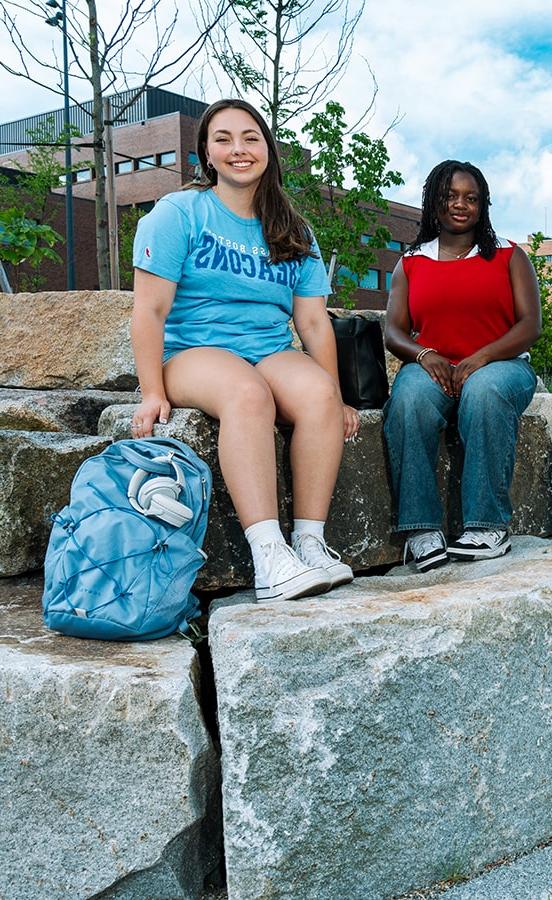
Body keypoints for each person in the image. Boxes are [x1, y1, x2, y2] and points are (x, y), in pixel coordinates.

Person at [130, 98, 358, 602]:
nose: (239, 149)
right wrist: (150, 391)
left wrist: (340, 397)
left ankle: (310, 542)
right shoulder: (178, 213)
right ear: (206, 154)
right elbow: (149, 311)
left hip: (269, 349)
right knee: (248, 393)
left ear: (268, 151)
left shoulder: (294, 229)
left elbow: (314, 321)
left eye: (251, 138)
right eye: (224, 139)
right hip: (195, 353)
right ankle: (269, 556)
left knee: (318, 393)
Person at [383, 160, 541, 571]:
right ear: (434, 199)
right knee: (409, 398)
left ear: (483, 206)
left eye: (471, 198)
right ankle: (421, 530)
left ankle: (488, 527)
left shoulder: (508, 255)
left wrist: (482, 356)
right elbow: (394, 331)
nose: (460, 205)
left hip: (502, 365)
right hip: (434, 367)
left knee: (484, 390)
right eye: (451, 196)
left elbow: (530, 324)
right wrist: (423, 354)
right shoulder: (411, 261)